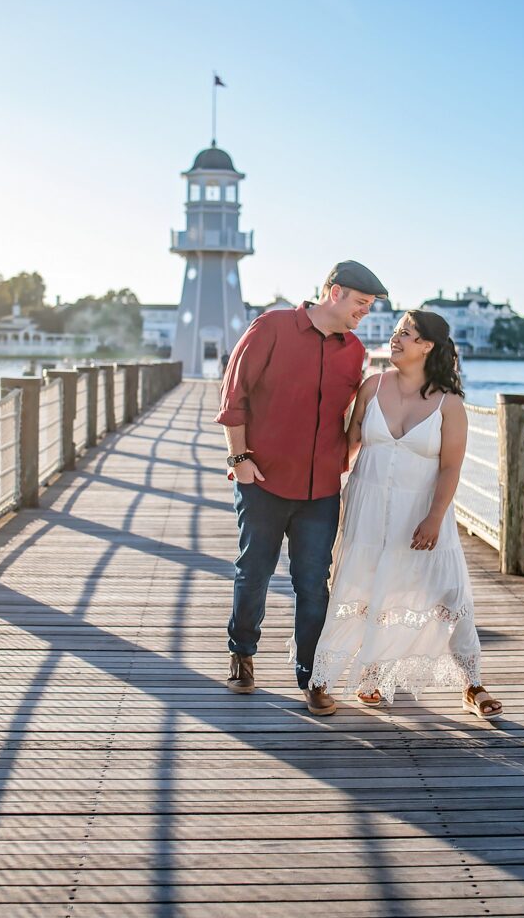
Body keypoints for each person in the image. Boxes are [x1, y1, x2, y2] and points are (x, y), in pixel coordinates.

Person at [310, 310, 503, 719]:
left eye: (406, 334)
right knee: (361, 587)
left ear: (427, 346)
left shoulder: (450, 405)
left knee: (449, 593)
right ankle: (334, 679)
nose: (396, 339)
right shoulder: (372, 386)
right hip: (367, 511)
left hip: (422, 514)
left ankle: (472, 684)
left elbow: (451, 466)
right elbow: (346, 447)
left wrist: (435, 517)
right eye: (396, 332)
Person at [216, 260, 388, 715]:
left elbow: (352, 417)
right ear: (334, 292)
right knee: (254, 571)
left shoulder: (355, 352)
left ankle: (314, 677)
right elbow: (234, 397)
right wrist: (239, 459)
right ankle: (243, 655)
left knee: (314, 584)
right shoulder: (271, 326)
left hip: (320, 490)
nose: (364, 314)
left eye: (369, 308)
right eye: (360, 304)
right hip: (264, 480)